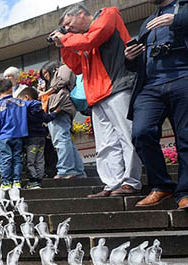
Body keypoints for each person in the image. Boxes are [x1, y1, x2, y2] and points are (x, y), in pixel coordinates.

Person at [52, 3, 141, 198]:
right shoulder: (81, 39)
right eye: (65, 28)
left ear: (82, 13)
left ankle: (131, 181)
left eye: (68, 24)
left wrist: (66, 38)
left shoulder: (108, 14)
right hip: (96, 95)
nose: (68, 29)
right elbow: (76, 68)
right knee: (105, 143)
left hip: (117, 86)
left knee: (127, 136)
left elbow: (91, 40)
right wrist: (64, 47)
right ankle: (111, 183)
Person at [126, 0, 188, 209]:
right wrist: (131, 58)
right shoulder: (148, 21)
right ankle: (161, 186)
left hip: (183, 76)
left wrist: (177, 19)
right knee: (141, 132)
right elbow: (143, 58)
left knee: (186, 137)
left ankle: (185, 192)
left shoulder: (184, 7)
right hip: (150, 86)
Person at [39, 61, 86, 178]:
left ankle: (66, 170)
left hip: (60, 108)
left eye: (45, 73)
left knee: (61, 141)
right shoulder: (51, 84)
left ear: (52, 68)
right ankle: (78, 171)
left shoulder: (64, 67)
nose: (45, 76)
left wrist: (46, 92)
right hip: (56, 110)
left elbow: (62, 81)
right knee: (65, 141)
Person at [0, 79, 29, 189]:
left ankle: (6, 182)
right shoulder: (21, 103)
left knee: (5, 160)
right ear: (11, 89)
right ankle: (17, 181)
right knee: (17, 159)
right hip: (18, 136)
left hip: (3, 137)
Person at [18, 87, 57, 189]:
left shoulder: (26, 109)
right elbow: (46, 118)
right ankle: (39, 179)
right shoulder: (38, 109)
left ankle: (33, 181)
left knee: (30, 160)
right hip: (41, 137)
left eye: (20, 100)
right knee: (40, 159)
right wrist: (55, 113)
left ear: (26, 98)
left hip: (31, 138)